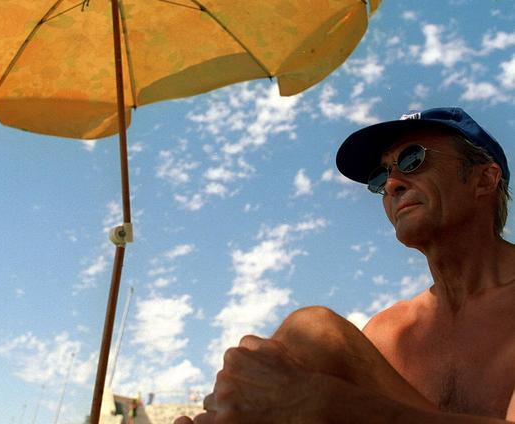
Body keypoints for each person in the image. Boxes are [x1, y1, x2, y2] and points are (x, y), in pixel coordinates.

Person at [175, 107, 515, 423]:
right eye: (380, 178)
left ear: (485, 179)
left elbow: (326, 405)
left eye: (413, 159)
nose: (392, 184)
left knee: (318, 329)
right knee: (312, 332)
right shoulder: (387, 332)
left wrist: (318, 401)